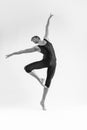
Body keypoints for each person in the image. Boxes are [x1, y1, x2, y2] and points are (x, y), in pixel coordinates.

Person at [6, 14, 57, 110]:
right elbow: (23, 51)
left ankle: (42, 101)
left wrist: (49, 18)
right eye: (33, 42)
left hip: (54, 63)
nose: (33, 42)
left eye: (34, 40)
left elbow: (47, 27)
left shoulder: (46, 39)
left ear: (37, 38)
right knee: (27, 68)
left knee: (48, 83)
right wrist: (12, 54)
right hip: (45, 62)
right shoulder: (37, 48)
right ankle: (39, 79)